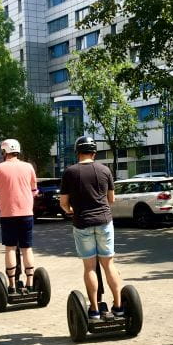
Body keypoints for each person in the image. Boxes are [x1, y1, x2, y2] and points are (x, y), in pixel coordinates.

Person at [59, 135, 123, 320]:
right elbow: (111, 199)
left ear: (77, 152)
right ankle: (118, 307)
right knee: (108, 265)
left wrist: (72, 210)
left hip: (82, 223)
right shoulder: (105, 170)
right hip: (104, 221)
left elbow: (64, 203)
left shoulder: (70, 172)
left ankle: (94, 310)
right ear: (94, 152)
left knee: (90, 268)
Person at [0, 138, 38, 290]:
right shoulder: (28, 167)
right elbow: (34, 191)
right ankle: (30, 283)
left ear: (4, 152)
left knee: (10, 248)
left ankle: (11, 284)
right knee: (26, 248)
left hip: (8, 214)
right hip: (26, 214)